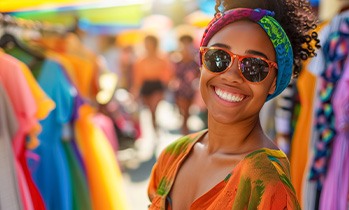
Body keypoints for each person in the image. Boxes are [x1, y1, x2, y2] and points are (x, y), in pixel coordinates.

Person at [147, 0, 319, 209]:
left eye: (254, 66)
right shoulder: (173, 155)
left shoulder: (266, 183)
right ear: (202, 62)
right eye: (218, 57)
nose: (232, 75)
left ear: (274, 82)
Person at [132, 35, 174, 132]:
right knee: (150, 110)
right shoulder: (141, 60)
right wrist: (135, 91)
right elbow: (138, 77)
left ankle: (155, 127)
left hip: (157, 84)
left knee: (153, 107)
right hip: (146, 85)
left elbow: (168, 72)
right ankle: (154, 126)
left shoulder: (162, 57)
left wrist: (167, 83)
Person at [171, 35, 200, 134]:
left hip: (190, 88)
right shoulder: (176, 59)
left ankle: (185, 131)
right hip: (180, 89)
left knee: (187, 112)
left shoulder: (195, 59)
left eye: (188, 42)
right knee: (183, 111)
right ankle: (184, 130)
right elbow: (173, 75)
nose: (186, 45)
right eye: (184, 42)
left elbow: (199, 74)